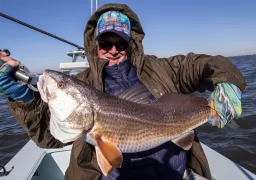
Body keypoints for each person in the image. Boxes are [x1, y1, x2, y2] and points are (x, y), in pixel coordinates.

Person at [0, 3, 245, 180]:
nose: (113, 50)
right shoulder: (85, 83)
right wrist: (24, 97)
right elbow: (49, 137)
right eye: (105, 43)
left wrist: (227, 82)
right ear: (95, 45)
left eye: (121, 43)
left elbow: (202, 64)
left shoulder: (162, 69)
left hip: (174, 172)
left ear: (131, 44)